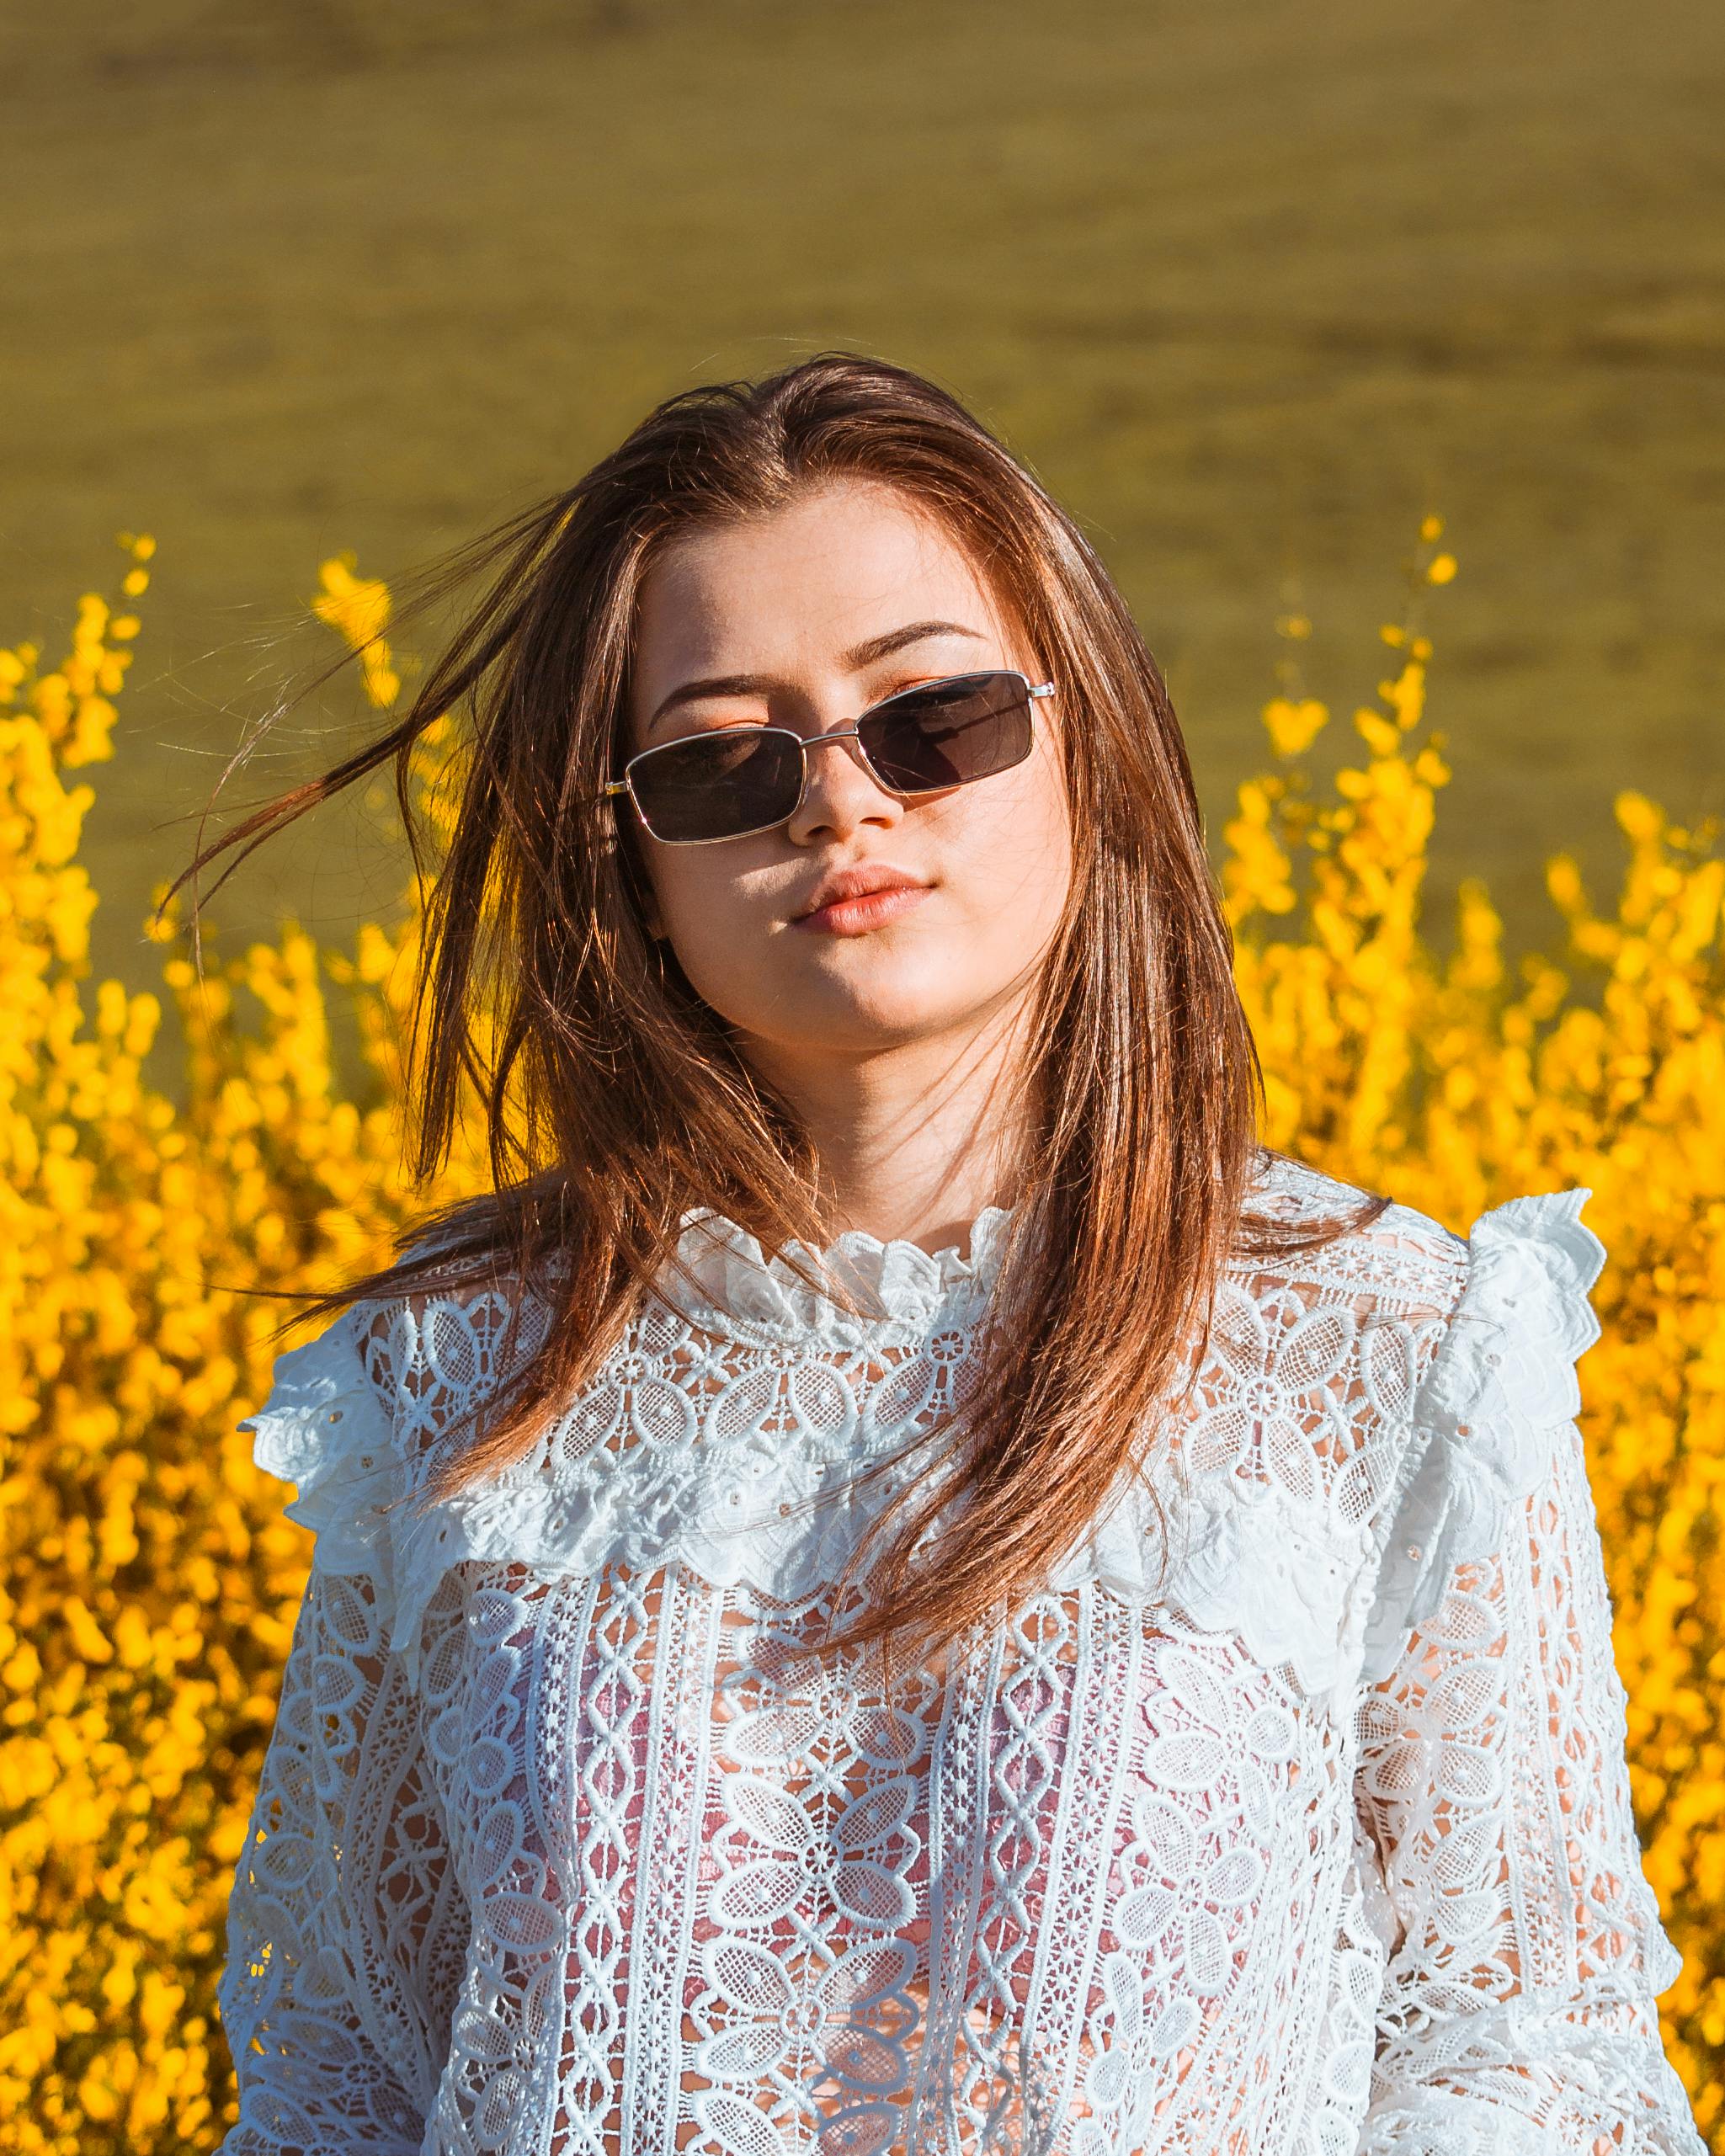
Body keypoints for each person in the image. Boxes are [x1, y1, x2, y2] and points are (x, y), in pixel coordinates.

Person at [198, 354, 1705, 2156]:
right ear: (629, 854)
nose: (838, 805)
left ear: (1092, 743)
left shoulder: (1375, 1347)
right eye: (720, 761)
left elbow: (1519, 2049)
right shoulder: (454, 1386)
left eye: (932, 720)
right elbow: (344, 2080)